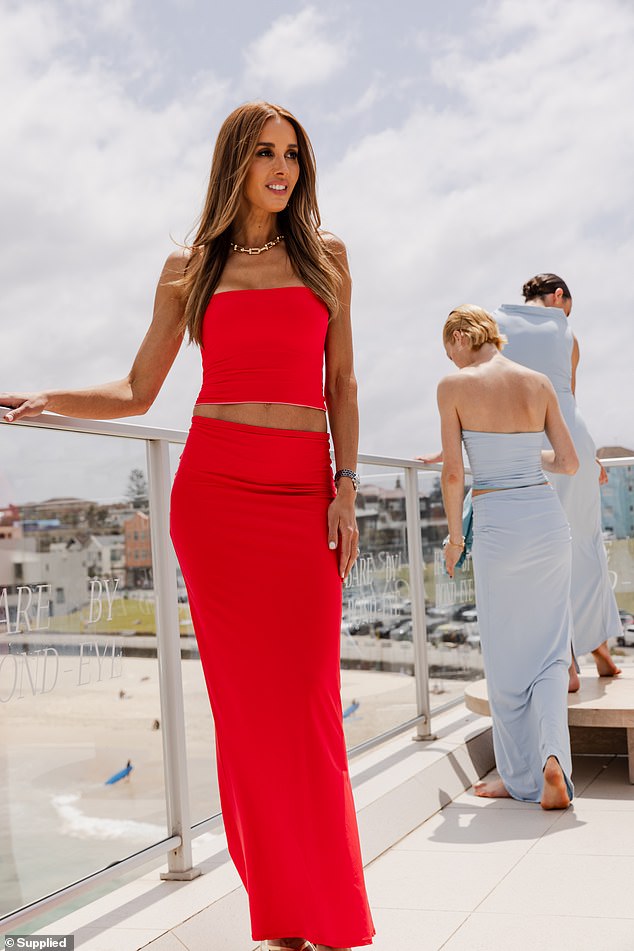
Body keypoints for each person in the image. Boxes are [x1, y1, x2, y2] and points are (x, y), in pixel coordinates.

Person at [1, 101, 374, 951]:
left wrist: (345, 487)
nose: (283, 170)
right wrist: (47, 398)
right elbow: (139, 391)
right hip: (215, 501)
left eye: (293, 156)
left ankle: (333, 912)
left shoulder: (329, 258)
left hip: (301, 493)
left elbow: (343, 384)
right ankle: (282, 912)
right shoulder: (190, 267)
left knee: (310, 702)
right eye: (266, 155)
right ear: (235, 162)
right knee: (246, 715)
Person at [438, 305, 578, 808]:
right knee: (549, 656)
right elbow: (568, 461)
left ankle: (519, 778)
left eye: (448, 349)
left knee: (506, 662)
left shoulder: (454, 387)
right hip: (546, 524)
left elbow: (454, 477)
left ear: (459, 337)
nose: (450, 360)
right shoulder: (537, 382)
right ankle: (552, 762)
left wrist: (456, 539)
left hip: (499, 529)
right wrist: (515, 454)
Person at [493, 274, 622, 691]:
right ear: (560, 297)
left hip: (526, 442)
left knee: (543, 553)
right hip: (573, 442)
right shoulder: (568, 335)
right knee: (585, 546)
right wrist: (590, 458)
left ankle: (566, 661)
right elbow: (571, 402)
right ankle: (599, 648)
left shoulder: (496, 325)